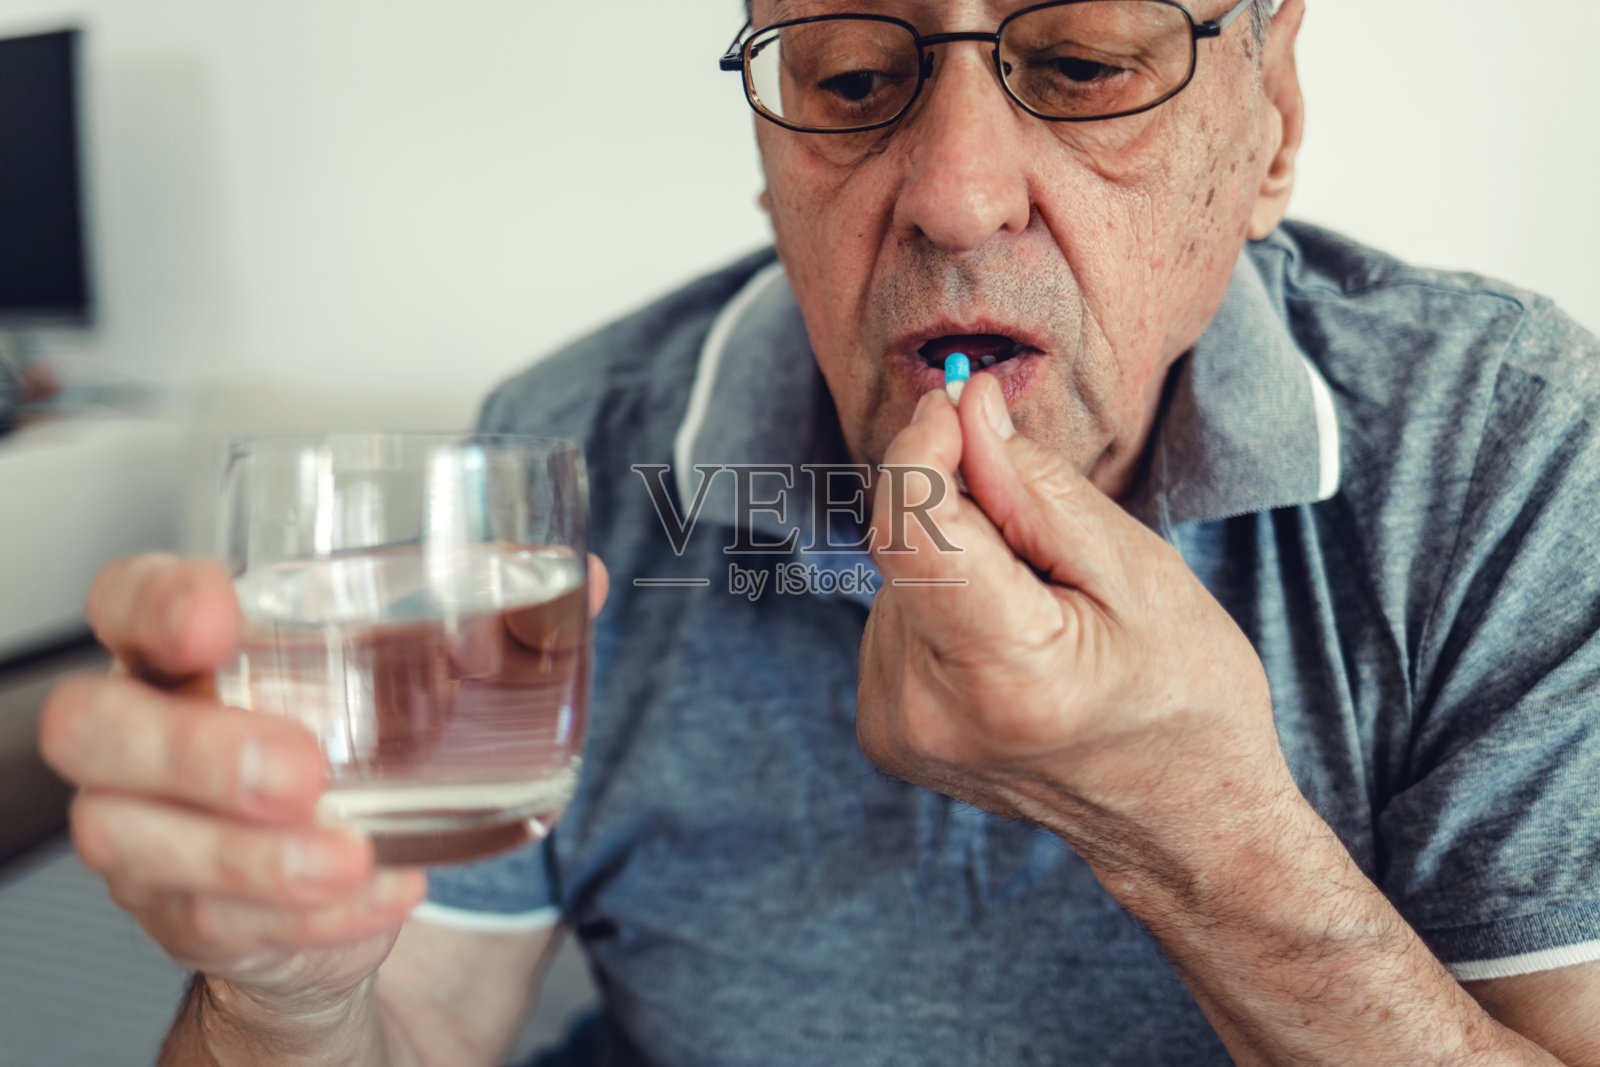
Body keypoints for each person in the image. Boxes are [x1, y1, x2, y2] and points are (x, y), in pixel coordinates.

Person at [38, 0, 1600, 1063]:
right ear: (773, 154)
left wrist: (1192, 827)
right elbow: (412, 1022)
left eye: (1088, 61)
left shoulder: (1502, 443)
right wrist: (291, 998)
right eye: (853, 76)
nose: (959, 196)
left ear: (1270, 126)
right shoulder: (573, 462)